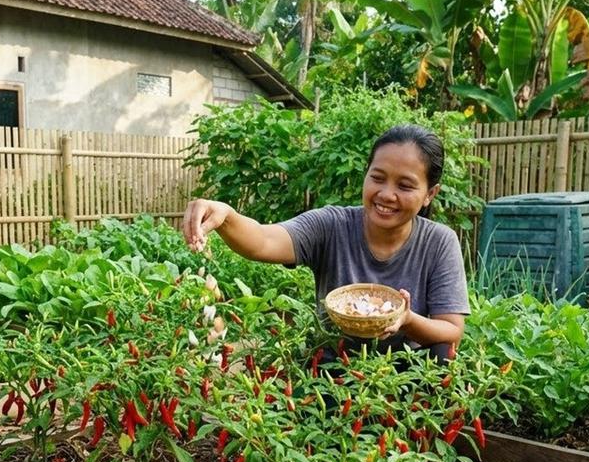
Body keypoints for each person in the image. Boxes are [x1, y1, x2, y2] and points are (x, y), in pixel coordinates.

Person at [181, 124, 469, 358]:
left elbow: (451, 329)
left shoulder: (439, 241)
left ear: (431, 193)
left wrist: (407, 321)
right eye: (377, 178)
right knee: (325, 360)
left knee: (444, 354)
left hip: (406, 370)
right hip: (335, 364)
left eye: (404, 186)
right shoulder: (332, 225)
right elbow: (264, 240)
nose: (386, 194)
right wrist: (227, 215)